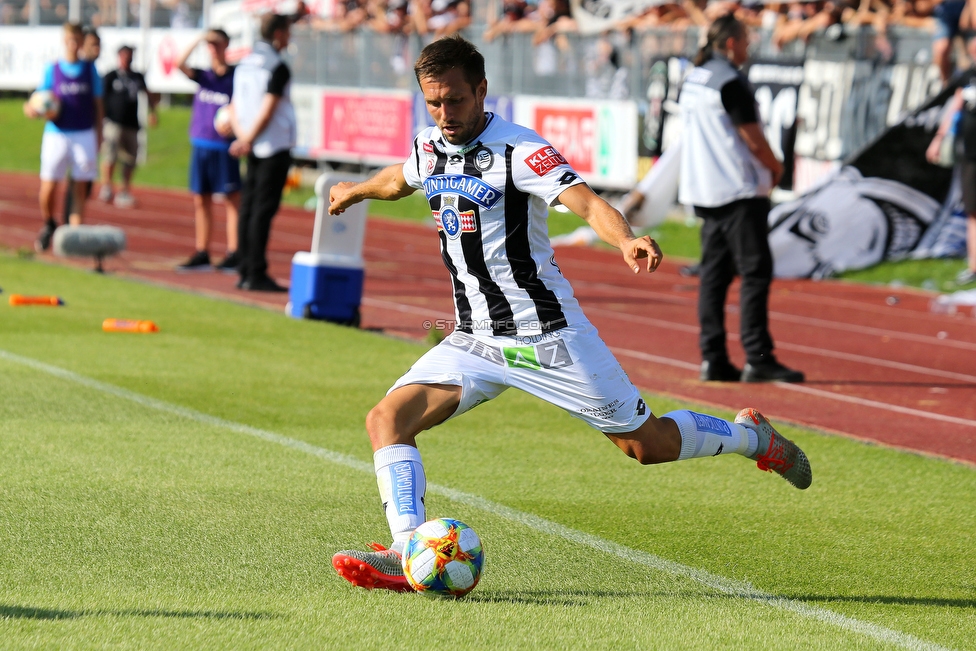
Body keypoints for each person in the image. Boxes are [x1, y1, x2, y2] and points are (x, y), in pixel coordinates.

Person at [328, 36, 812, 592]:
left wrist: (625, 239)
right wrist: (356, 190)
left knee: (647, 446)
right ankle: (406, 548)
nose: (445, 114)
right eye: (433, 102)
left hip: (547, 336)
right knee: (386, 420)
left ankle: (753, 438)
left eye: (455, 100)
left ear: (481, 91)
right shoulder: (429, 145)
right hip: (477, 338)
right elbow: (400, 178)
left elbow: (585, 201)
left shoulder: (520, 150)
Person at [678, 14, 804, 383]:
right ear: (731, 43)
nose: (749, 47)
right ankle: (758, 357)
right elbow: (753, 138)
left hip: (704, 188)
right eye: (746, 40)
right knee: (755, 273)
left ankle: (713, 357)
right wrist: (776, 167)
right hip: (738, 189)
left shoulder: (695, 76)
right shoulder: (731, 81)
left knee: (714, 277)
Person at [227, 13, 297, 292]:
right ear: (278, 34)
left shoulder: (244, 62)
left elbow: (233, 105)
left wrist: (242, 138)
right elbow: (268, 109)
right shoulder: (276, 65)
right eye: (287, 32)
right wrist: (250, 138)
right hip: (273, 145)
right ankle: (255, 272)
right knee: (262, 211)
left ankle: (244, 269)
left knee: (248, 207)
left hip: (252, 143)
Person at [25, 22, 103, 252]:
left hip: (83, 133)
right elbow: (40, 99)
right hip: (56, 134)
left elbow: (98, 105)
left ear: (81, 42)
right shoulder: (53, 69)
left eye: (77, 40)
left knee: (80, 188)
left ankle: (74, 235)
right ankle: (49, 222)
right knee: (48, 187)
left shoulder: (90, 70)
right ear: (64, 41)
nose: (73, 44)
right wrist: (34, 108)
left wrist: (99, 134)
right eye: (69, 40)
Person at [175, 28, 242, 273]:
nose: (213, 48)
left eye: (217, 43)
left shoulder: (235, 76)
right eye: (210, 44)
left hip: (223, 146)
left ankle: (235, 252)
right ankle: (202, 251)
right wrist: (199, 38)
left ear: (226, 45)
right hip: (201, 144)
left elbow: (244, 104)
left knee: (232, 200)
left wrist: (235, 125)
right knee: (200, 199)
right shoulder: (204, 75)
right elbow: (179, 63)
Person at [927, 52, 976, 286]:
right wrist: (939, 138)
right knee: (973, 210)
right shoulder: (968, 76)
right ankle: (974, 266)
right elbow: (955, 108)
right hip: (969, 155)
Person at [99, 44, 157, 209]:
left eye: (130, 56)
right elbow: (101, 99)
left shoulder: (137, 76)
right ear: (119, 57)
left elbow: (147, 93)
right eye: (125, 56)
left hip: (132, 124)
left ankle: (124, 190)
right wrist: (101, 120)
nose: (127, 59)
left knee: (131, 159)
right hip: (113, 123)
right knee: (110, 156)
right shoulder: (111, 76)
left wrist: (153, 112)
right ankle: (107, 186)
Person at [62, 26, 103, 225]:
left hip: (89, 133)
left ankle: (73, 221)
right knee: (77, 182)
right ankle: (67, 222)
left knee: (84, 183)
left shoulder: (93, 71)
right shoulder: (81, 70)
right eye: (92, 45)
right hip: (75, 133)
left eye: (99, 45)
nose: (97, 49)